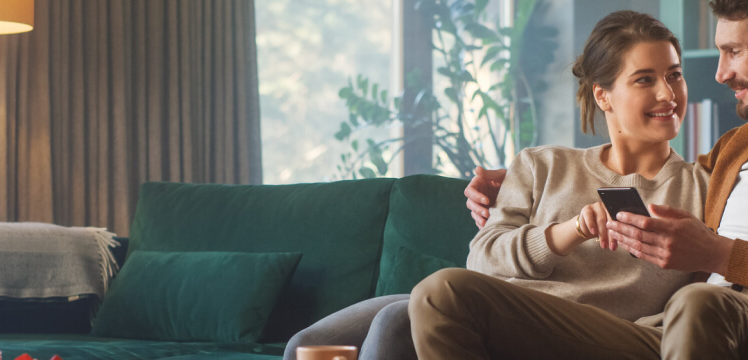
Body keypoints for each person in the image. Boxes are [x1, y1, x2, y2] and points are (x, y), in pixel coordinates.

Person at [431, 0, 748, 358]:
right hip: (677, 328)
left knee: (699, 302)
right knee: (446, 293)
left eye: (733, 52)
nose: (718, 74)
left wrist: (720, 256)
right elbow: (657, 170)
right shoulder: (736, 148)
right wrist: (511, 180)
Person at [285, 11, 709, 360]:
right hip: (489, 303)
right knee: (305, 346)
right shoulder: (541, 164)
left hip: (581, 330)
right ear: (603, 96)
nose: (667, 93)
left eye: (674, 75)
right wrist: (570, 231)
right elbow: (483, 260)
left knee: (401, 320)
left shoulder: (701, 187)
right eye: (645, 79)